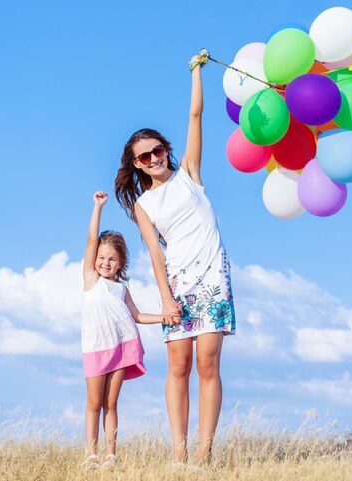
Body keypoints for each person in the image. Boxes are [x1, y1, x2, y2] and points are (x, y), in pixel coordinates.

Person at [114, 51, 236, 467]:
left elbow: (197, 116)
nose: (153, 158)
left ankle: (204, 455)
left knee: (208, 363)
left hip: (213, 279)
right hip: (178, 285)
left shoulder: (189, 173)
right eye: (143, 156)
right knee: (179, 367)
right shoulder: (144, 205)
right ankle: (179, 455)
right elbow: (153, 254)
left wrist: (196, 73)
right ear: (135, 164)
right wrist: (165, 301)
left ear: (166, 149)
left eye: (157, 150)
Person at [81, 190, 173, 470]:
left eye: (112, 259)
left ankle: (110, 455)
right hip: (96, 348)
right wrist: (97, 207)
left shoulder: (122, 288)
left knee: (111, 402)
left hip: (121, 347)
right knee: (94, 402)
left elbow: (136, 316)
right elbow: (90, 240)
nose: (105, 263)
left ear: (120, 263)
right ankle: (91, 455)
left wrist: (164, 316)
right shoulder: (91, 279)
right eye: (101, 258)